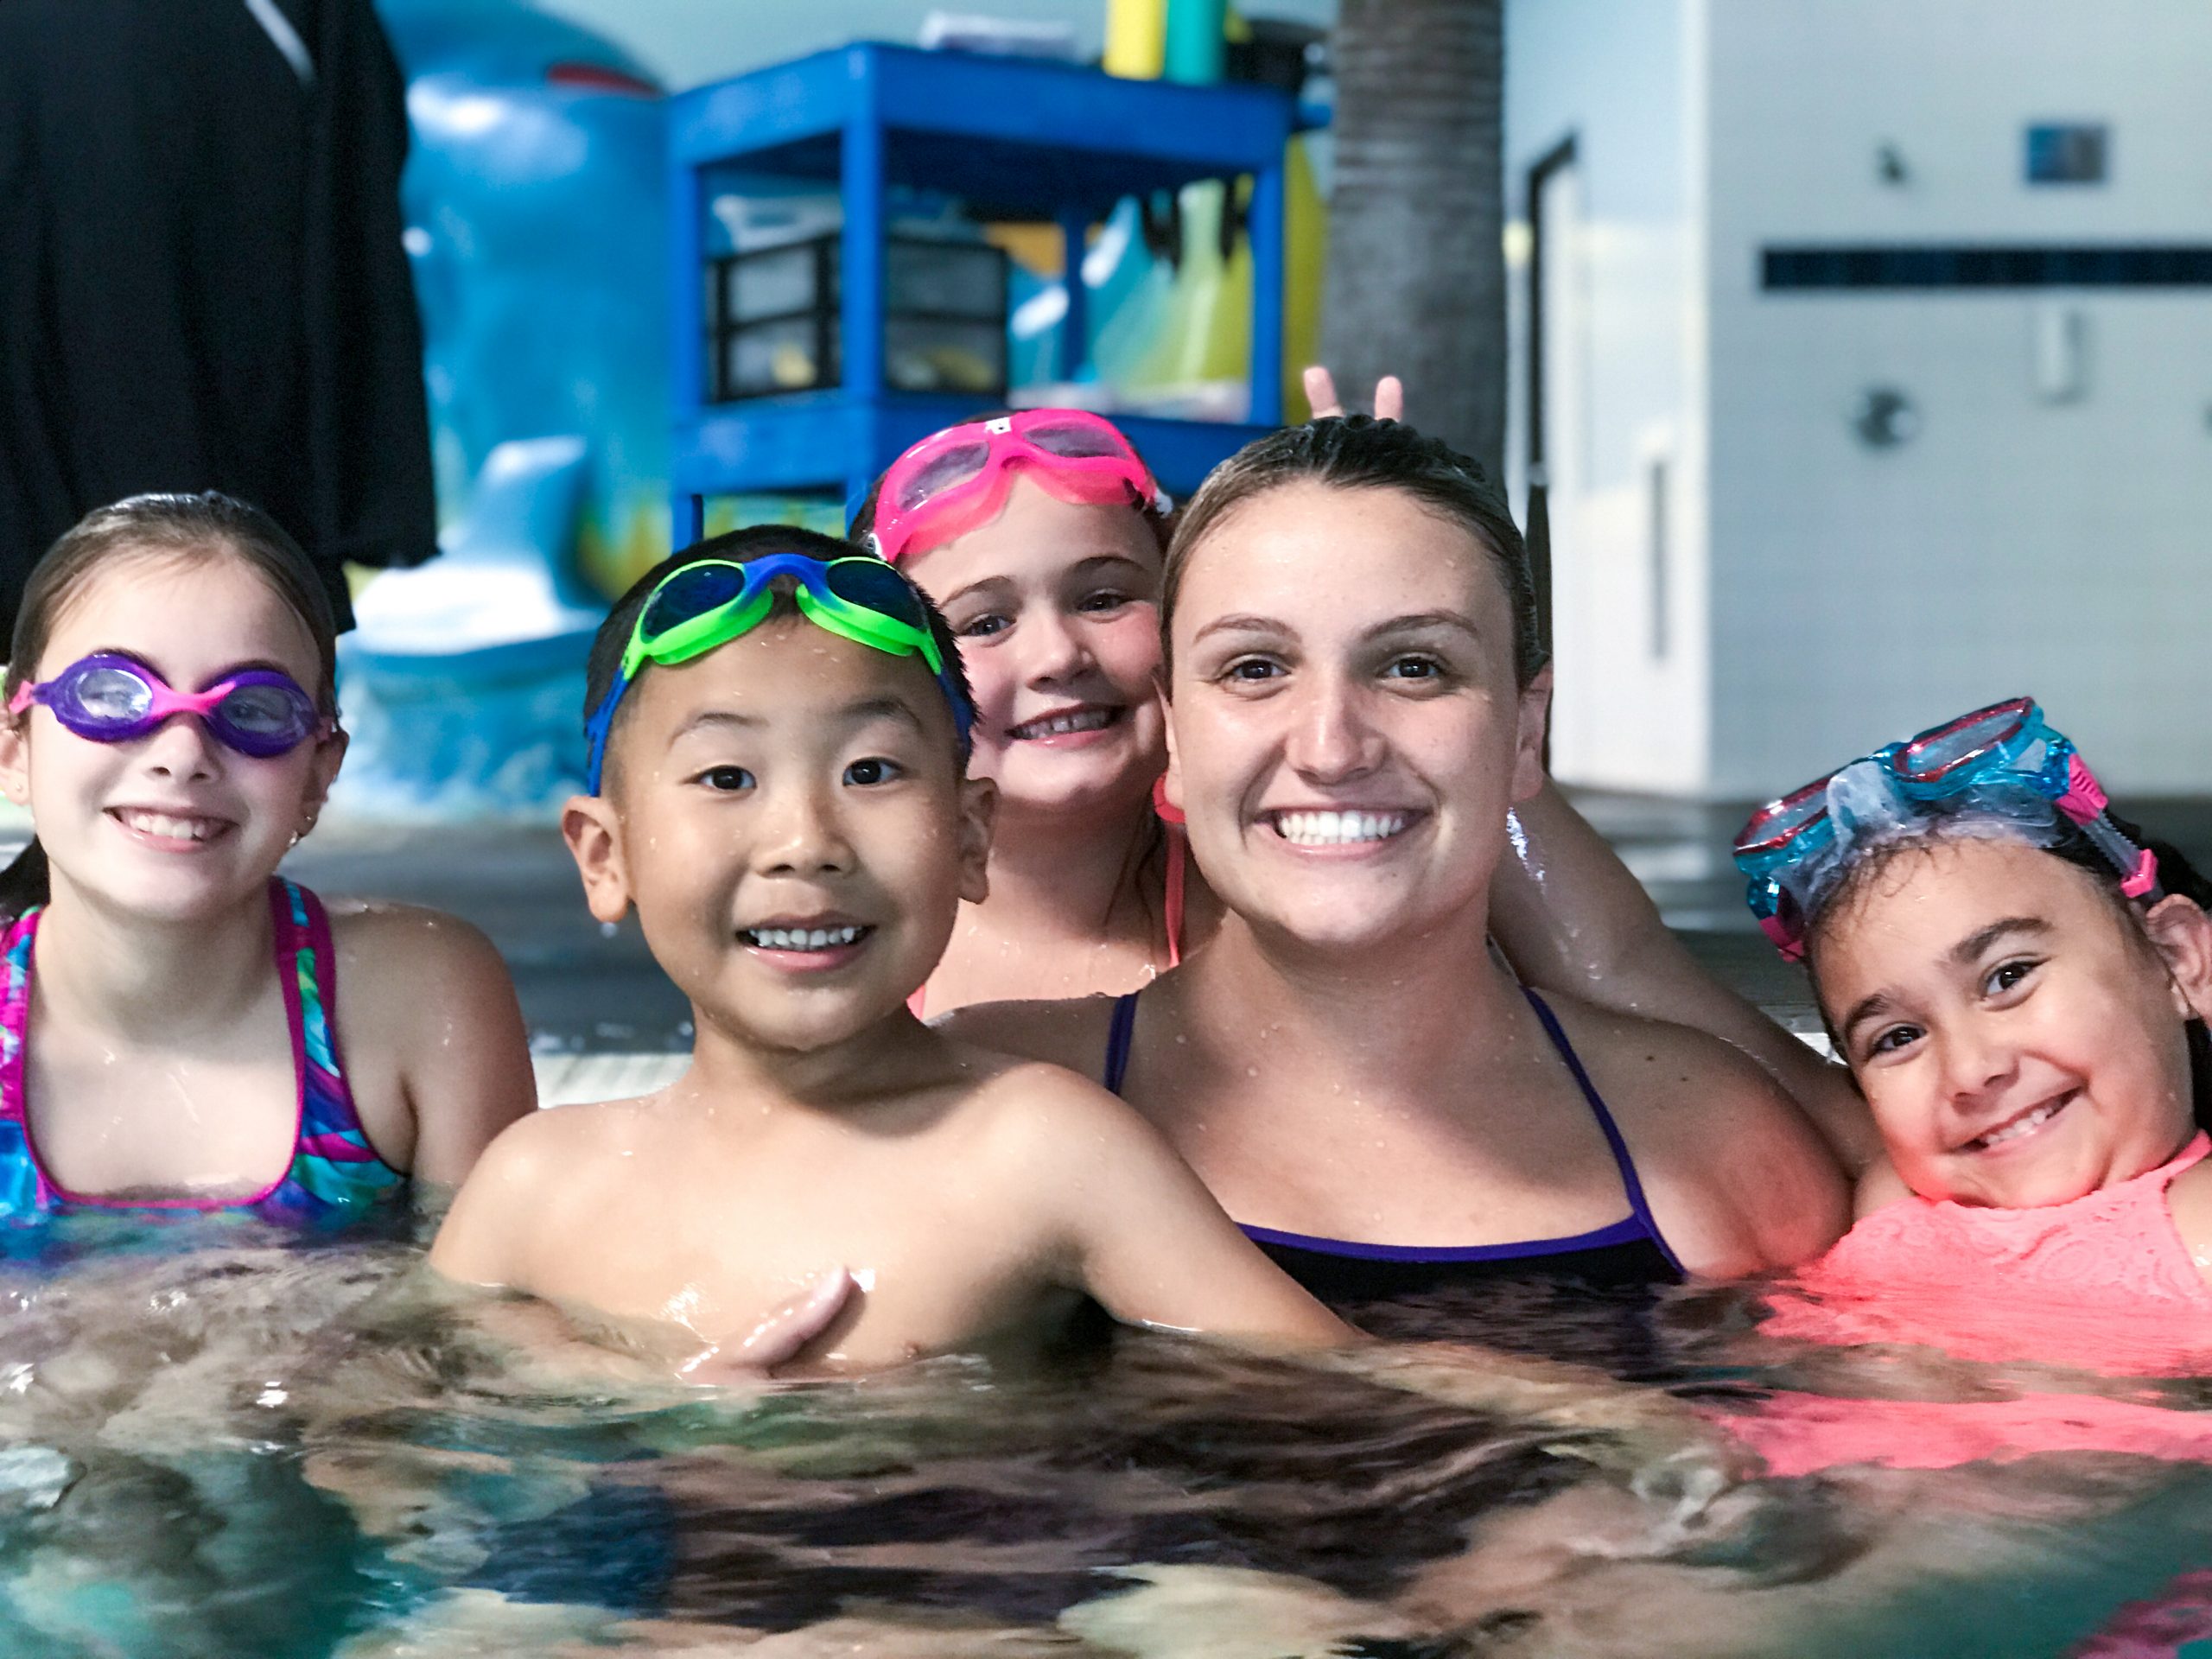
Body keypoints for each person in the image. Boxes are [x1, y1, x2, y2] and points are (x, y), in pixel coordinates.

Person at [949, 417, 1847, 1312]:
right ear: (1175, 732)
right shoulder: (982, 1108)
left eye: (1414, 666)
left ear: (1525, 732)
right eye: (1255, 668)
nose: (1331, 748)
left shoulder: (1711, 1146)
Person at [429, 528, 1352, 1372]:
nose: (805, 839)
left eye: (870, 771)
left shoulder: (1041, 1149)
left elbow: (1349, 1389)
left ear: (967, 836)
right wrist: (649, 1416)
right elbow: (402, 1467)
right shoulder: (531, 1190)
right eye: (726, 776)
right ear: (606, 853)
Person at [0, 493, 532, 1224]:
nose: (183, 755)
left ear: (319, 771)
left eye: (253, 709)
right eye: (112, 694)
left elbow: (485, 1321)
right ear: (14, 747)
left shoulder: (418, 1001)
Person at [1729, 697, 2212, 1371]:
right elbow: (1643, 984)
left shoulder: (2199, 1233)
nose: (1969, 1071)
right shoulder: (1890, 1193)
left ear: (2176, 958)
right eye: (1897, 1038)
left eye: (2007, 975)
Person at [851, 410, 1206, 1014]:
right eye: (986, 623)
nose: (1058, 656)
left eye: (1104, 600)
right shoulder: (849, 953)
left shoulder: (1265, 919)